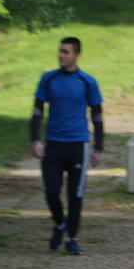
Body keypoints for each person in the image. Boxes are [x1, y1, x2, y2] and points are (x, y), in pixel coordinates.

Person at [31, 37, 104, 256]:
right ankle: (59, 222)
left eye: (66, 52)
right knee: (51, 191)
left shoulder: (87, 82)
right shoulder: (48, 78)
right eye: (60, 51)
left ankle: (72, 238)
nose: (61, 55)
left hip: (78, 144)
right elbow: (36, 112)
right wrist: (35, 140)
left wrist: (98, 148)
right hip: (53, 144)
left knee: (75, 194)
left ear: (77, 55)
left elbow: (98, 116)